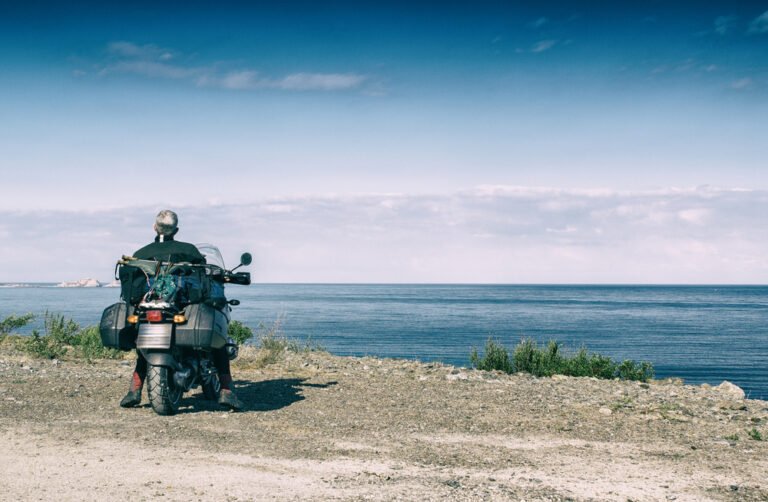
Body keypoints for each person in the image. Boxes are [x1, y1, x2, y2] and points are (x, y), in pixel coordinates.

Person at [119, 209, 244, 411]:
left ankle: (134, 390)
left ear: (154, 227)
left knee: (144, 346)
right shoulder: (189, 251)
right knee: (218, 342)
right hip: (181, 307)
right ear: (176, 230)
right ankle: (227, 390)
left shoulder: (140, 254)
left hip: (146, 306)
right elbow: (204, 277)